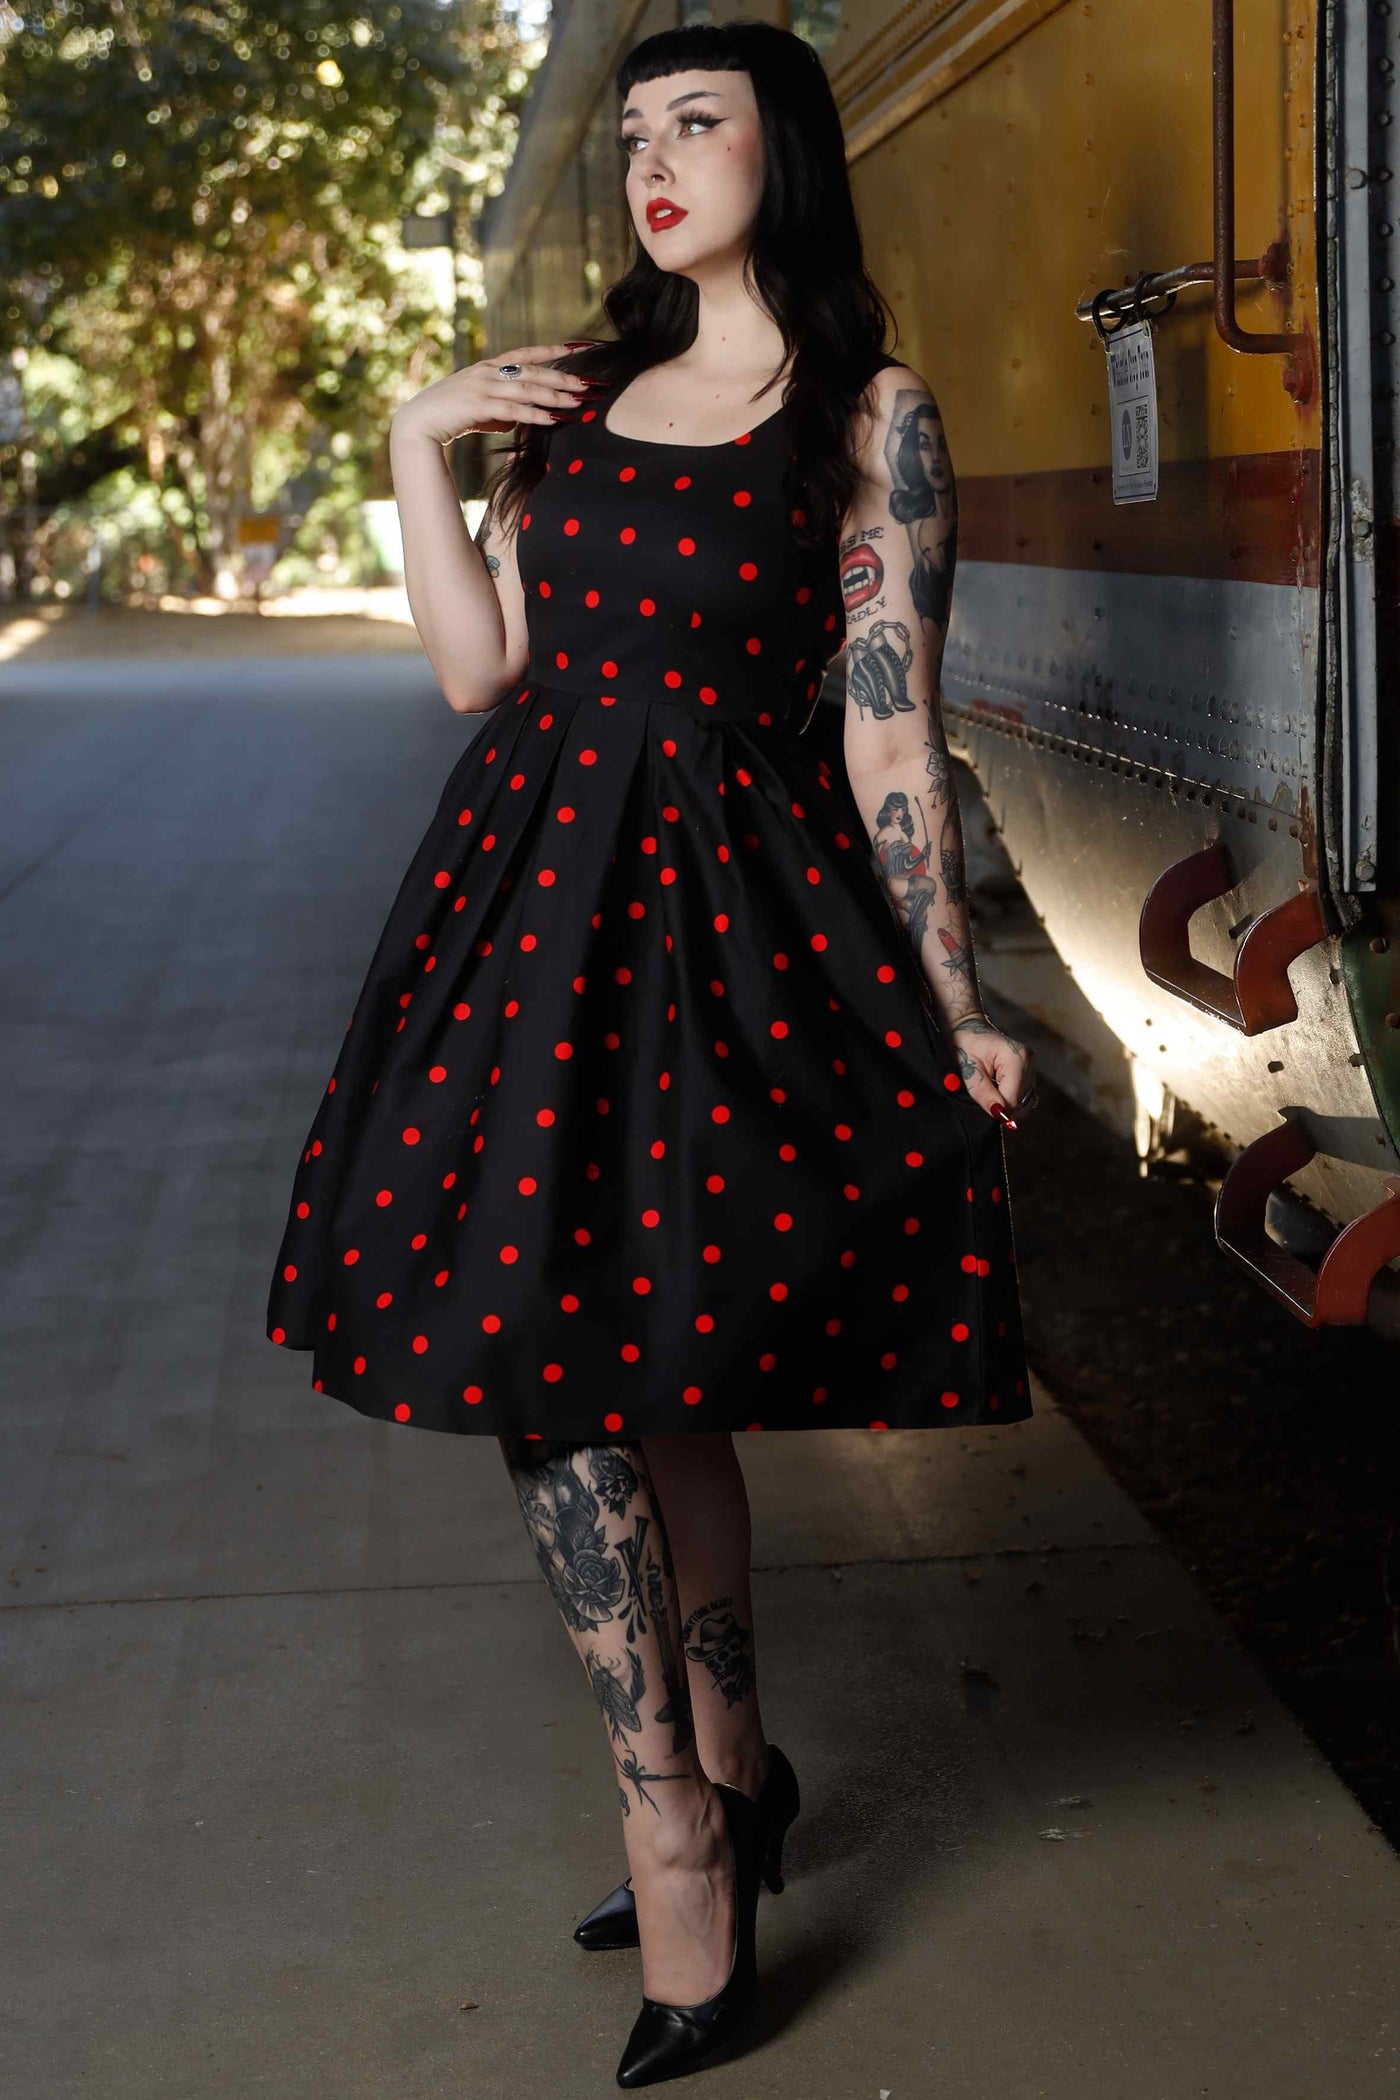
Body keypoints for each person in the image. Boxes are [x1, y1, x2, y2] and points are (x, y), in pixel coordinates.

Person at [265, 16, 1038, 2086]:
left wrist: (954, 1002)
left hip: (733, 936)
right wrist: (419, 442)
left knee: (658, 1364)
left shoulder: (872, 417)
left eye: (697, 124)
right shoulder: (577, 406)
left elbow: (889, 728)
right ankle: (692, 1803)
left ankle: (712, 1805)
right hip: (526, 922)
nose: (654, 162)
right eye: (630, 134)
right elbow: (471, 671)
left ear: (785, 146)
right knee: (553, 1370)